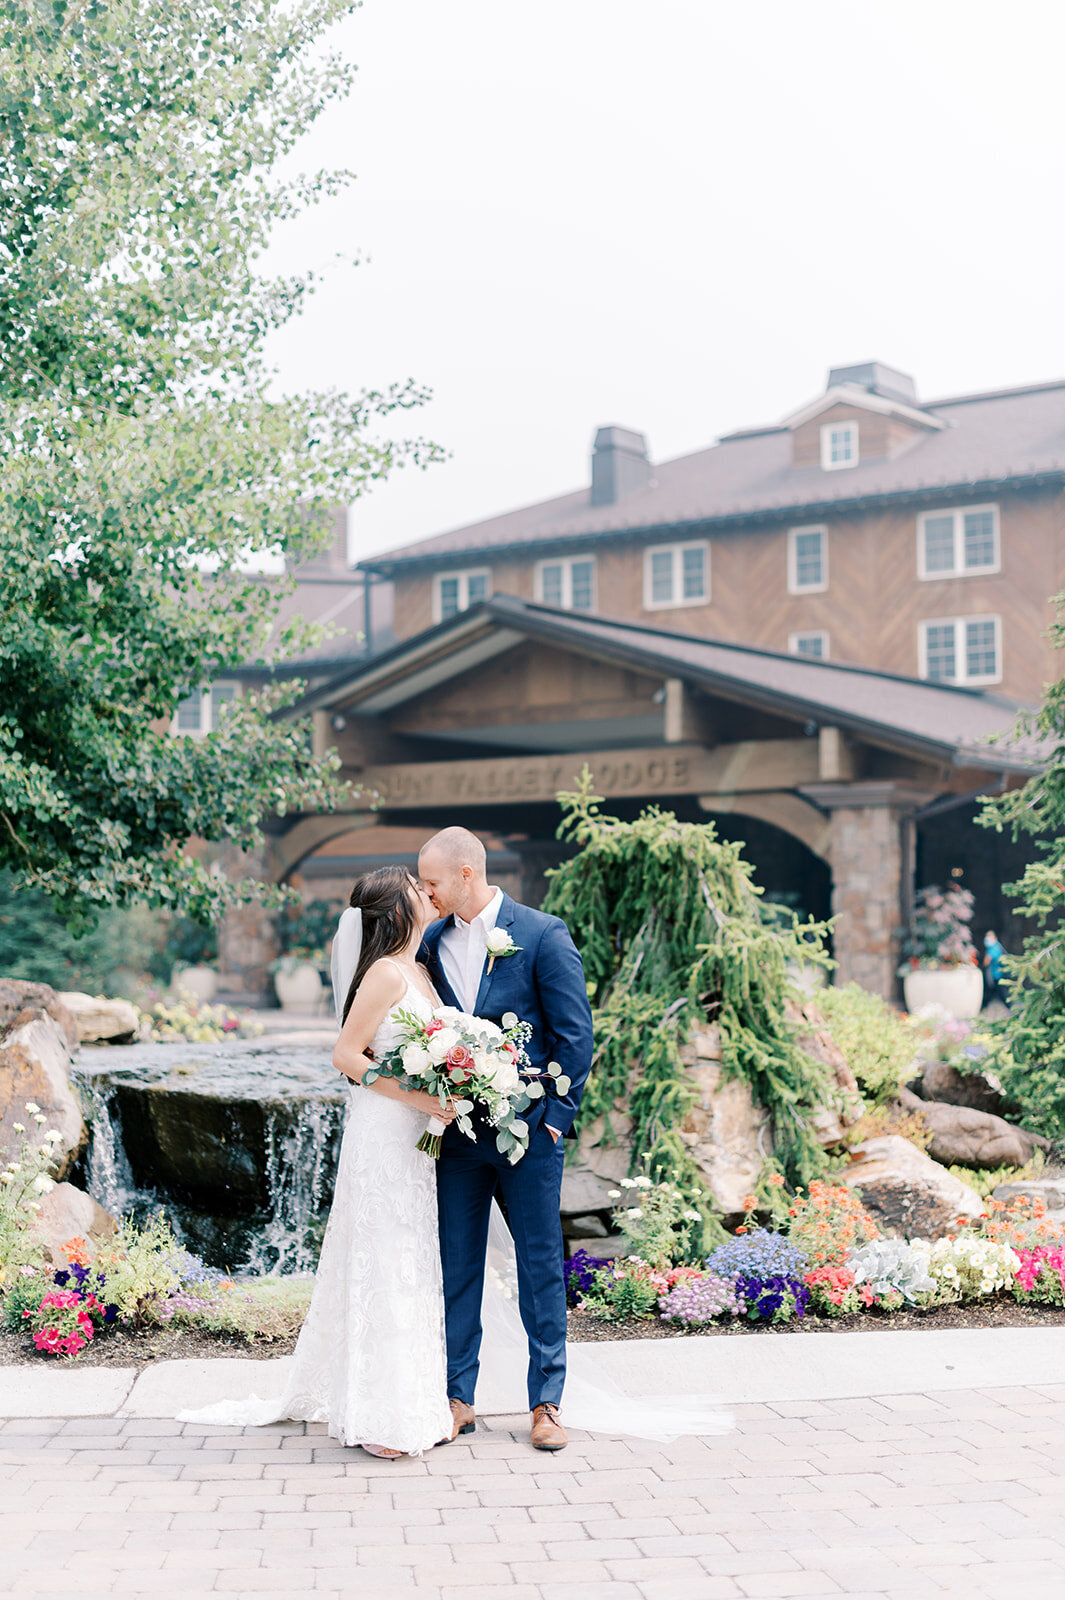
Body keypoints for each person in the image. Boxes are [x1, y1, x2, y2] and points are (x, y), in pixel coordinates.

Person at [179, 866, 456, 1458]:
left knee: (410, 1261)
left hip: (417, 1136)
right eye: (415, 886)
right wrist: (420, 1095)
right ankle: (381, 1417)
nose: (425, 891)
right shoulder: (384, 973)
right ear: (398, 909)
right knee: (382, 1262)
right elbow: (346, 1055)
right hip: (384, 1132)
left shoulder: (422, 972)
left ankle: (414, 1404)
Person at [417, 826, 594, 1453]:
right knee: (457, 1264)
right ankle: (457, 1398)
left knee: (539, 1266)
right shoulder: (430, 944)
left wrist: (556, 1116)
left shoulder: (542, 934)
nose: (425, 892)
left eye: (432, 881)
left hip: (530, 1137)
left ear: (466, 874)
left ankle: (547, 1403)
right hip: (460, 1135)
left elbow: (576, 1035)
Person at [983, 929, 1010, 1008]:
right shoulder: (997, 946)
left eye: (989, 937)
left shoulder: (994, 948)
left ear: (994, 938)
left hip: (997, 975)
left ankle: (1011, 1008)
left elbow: (986, 962)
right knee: (990, 993)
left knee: (1002, 994)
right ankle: (984, 1008)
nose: (987, 939)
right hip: (996, 975)